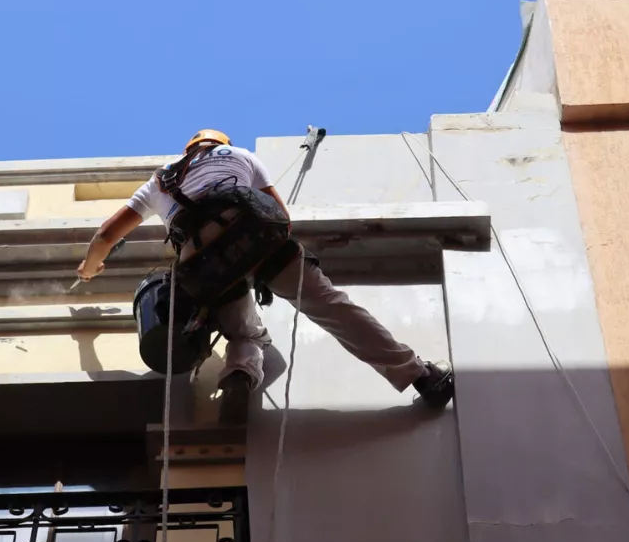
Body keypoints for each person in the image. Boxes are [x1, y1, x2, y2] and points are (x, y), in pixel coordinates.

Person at [76, 129, 454, 423]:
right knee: (332, 308)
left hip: (204, 261)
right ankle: (420, 376)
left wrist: (90, 267)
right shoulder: (241, 155)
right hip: (256, 237)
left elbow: (107, 234)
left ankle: (238, 375)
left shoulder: (161, 179)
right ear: (220, 143)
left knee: (245, 332)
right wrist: (264, 267)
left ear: (189, 149)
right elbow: (279, 214)